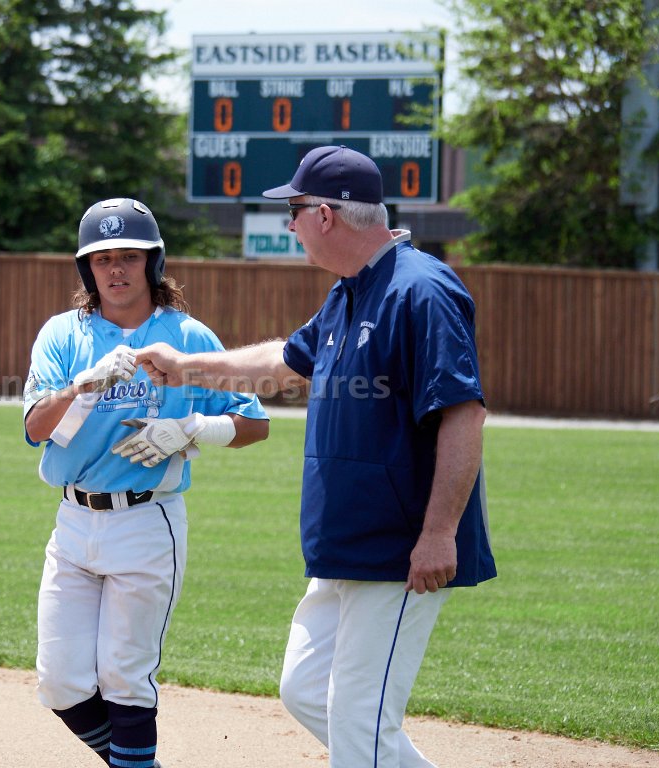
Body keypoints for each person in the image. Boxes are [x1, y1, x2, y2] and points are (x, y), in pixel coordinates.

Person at [135, 146, 497, 768]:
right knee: (306, 690)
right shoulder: (350, 291)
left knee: (358, 722)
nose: (290, 223)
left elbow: (463, 414)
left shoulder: (422, 290)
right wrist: (185, 366)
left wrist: (439, 533)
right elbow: (282, 362)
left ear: (326, 215)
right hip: (346, 544)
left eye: (296, 210)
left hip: (399, 546)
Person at [23, 197, 269, 768]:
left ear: (152, 263)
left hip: (146, 519)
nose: (116, 269)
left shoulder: (187, 336)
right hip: (73, 521)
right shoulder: (63, 335)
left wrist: (192, 428)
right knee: (60, 682)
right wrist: (83, 385)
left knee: (125, 677)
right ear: (87, 269)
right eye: (102, 258)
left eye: (129, 256)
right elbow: (35, 428)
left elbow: (254, 423)